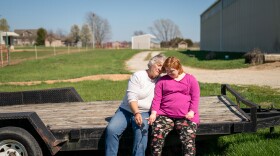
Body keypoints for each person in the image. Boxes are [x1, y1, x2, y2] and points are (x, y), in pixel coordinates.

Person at [105, 54, 166, 156]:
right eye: (159, 65)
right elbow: (131, 98)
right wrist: (136, 113)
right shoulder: (138, 75)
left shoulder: (161, 80)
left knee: (142, 132)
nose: (160, 69)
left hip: (145, 112)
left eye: (163, 68)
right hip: (126, 110)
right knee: (112, 129)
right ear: (151, 64)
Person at [148, 56, 200, 156]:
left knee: (188, 139)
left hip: (185, 116)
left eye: (172, 71)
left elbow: (195, 97)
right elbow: (157, 98)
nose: (169, 73)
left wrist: (192, 111)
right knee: (156, 137)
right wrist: (154, 113)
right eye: (167, 71)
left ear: (179, 68)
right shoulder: (162, 81)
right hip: (165, 115)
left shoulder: (190, 79)